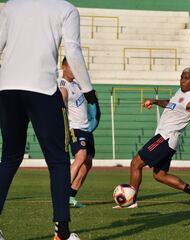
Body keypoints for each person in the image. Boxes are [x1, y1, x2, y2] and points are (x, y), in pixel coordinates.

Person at [0, 1, 100, 240]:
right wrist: (88, 90)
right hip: (42, 90)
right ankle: (62, 233)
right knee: (58, 161)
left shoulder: (11, 6)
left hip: (6, 89)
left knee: (9, 159)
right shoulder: (66, 9)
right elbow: (73, 51)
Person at [125, 68, 190, 209]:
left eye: (186, 78)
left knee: (135, 164)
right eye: (181, 77)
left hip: (166, 138)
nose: (182, 80)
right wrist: (155, 101)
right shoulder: (181, 92)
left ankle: (130, 200)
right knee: (159, 175)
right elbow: (171, 104)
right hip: (167, 139)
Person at [58, 57, 96, 208]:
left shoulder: (78, 85)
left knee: (88, 162)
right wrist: (64, 129)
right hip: (74, 128)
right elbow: (62, 107)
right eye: (72, 67)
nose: (75, 71)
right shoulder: (62, 85)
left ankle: (70, 196)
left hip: (86, 128)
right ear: (64, 67)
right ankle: (60, 193)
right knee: (80, 157)